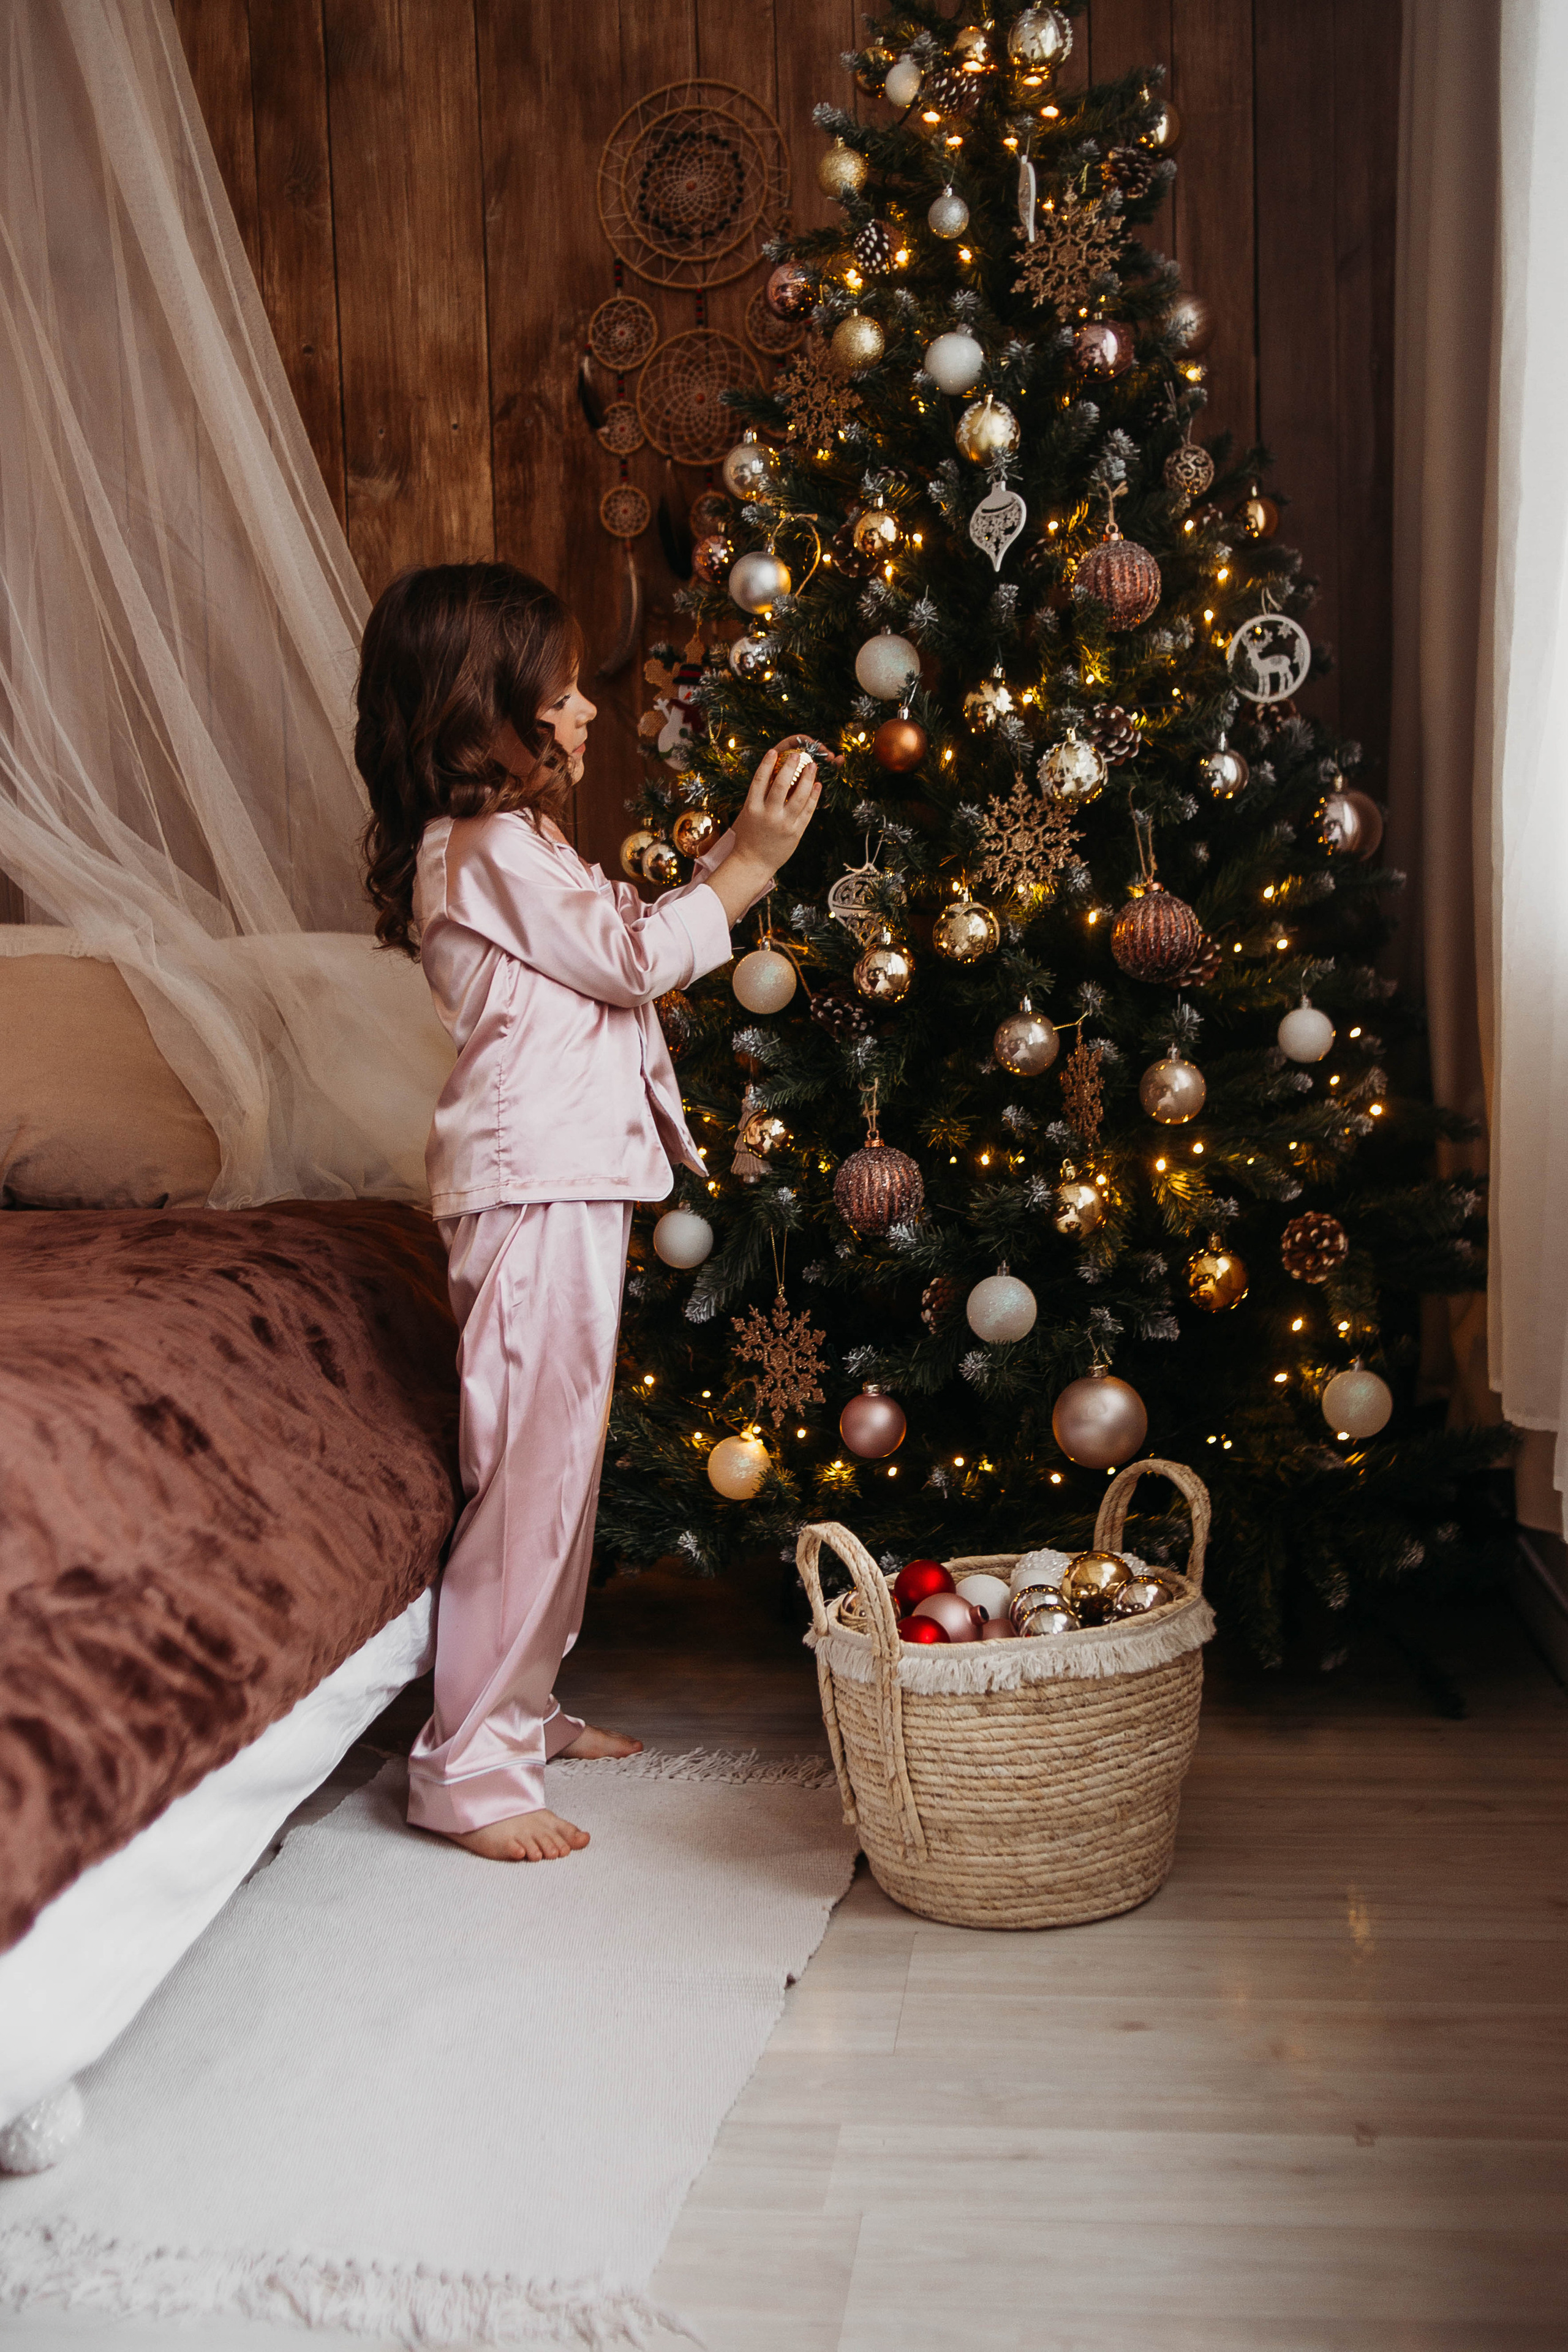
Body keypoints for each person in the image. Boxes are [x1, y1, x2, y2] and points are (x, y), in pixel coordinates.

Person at [358, 562, 820, 1861]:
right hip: (533, 1182)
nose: (587, 718)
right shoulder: (489, 845)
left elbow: (614, 939)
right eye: (559, 698)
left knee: (561, 1459)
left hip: (571, 1174)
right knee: (529, 1473)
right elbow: (630, 962)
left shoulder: (521, 843)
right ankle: (468, 1770)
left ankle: (520, 1706)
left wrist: (730, 856)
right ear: (479, 714)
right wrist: (753, 870)